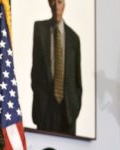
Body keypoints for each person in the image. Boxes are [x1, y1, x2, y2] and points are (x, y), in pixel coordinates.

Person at [31, 0, 82, 135]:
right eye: (53, 1)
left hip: (67, 109)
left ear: (64, 5)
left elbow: (77, 79)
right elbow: (35, 69)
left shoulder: (74, 38)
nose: (56, 6)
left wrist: (75, 106)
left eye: (59, 2)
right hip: (45, 106)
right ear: (49, 4)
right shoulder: (39, 29)